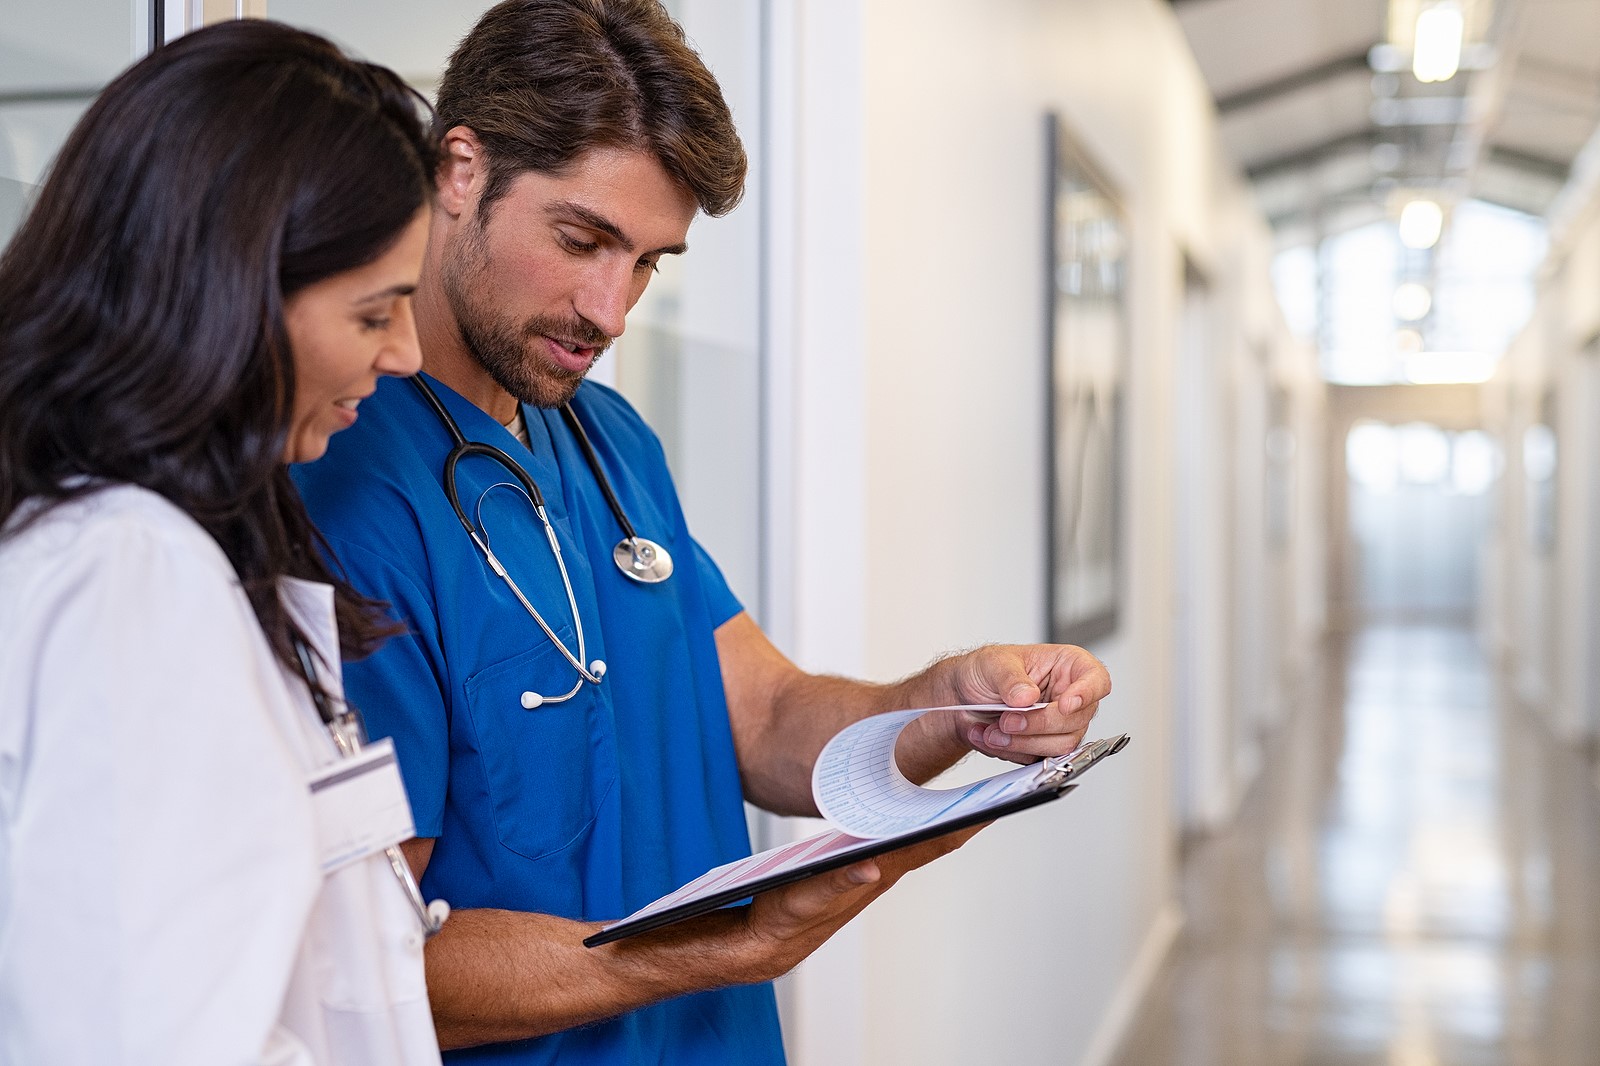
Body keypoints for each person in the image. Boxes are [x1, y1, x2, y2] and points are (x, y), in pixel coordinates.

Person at [291, 1, 1113, 1061]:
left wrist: (956, 702)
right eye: (582, 239)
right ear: (459, 169)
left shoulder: (606, 438)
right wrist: (718, 950)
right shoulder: (343, 485)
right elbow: (366, 966)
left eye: (646, 262)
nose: (611, 308)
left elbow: (765, 718)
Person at [0, 21, 447, 1065]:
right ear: (234, 297)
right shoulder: (130, 572)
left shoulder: (164, 556)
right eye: (375, 312)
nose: (407, 352)